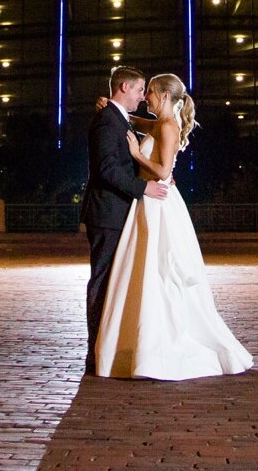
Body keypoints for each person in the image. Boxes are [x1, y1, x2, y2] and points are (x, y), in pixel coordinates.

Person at [92, 72, 254, 381]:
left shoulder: (167, 125)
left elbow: (163, 171)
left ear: (165, 96)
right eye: (143, 91)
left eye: (150, 92)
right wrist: (109, 105)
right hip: (151, 201)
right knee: (147, 269)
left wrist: (137, 154)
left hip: (157, 200)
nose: (145, 97)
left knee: (156, 270)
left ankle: (152, 348)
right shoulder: (161, 123)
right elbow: (136, 122)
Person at [83, 66, 168, 374]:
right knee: (103, 280)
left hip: (120, 211)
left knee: (116, 282)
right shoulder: (107, 121)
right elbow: (107, 169)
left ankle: (111, 345)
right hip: (108, 213)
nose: (142, 96)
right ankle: (96, 352)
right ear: (123, 87)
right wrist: (143, 187)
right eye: (138, 89)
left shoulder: (118, 118)